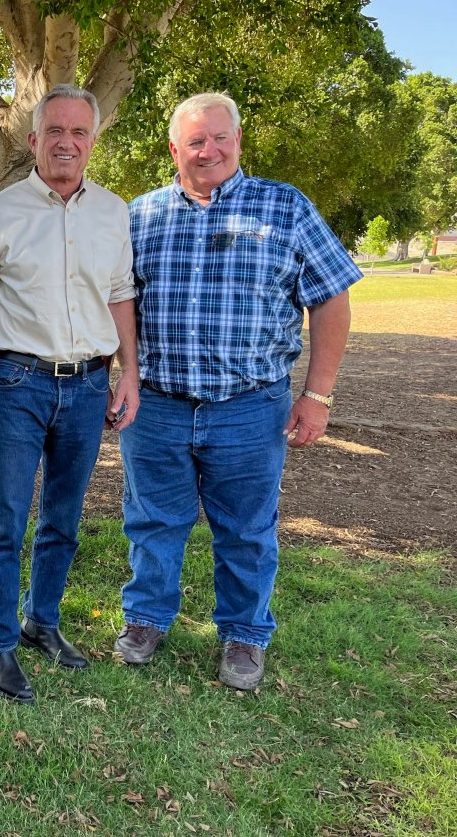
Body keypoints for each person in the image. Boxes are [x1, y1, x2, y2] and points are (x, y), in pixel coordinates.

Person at [117, 92, 362, 690]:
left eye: (219, 137)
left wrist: (318, 395)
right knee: (152, 521)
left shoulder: (286, 207)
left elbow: (330, 297)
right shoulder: (141, 215)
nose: (209, 151)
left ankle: (244, 636)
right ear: (174, 149)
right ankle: (146, 619)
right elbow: (117, 302)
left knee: (248, 530)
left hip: (250, 406)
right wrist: (117, 377)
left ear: (238, 139)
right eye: (195, 141)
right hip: (158, 406)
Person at [0, 85, 138, 705]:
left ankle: (42, 620)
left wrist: (128, 373)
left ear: (92, 141)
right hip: (17, 385)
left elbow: (119, 297)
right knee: (6, 518)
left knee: (63, 518)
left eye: (79, 132)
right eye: (54, 130)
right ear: (33, 140)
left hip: (88, 386)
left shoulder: (113, 213)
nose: (66, 141)